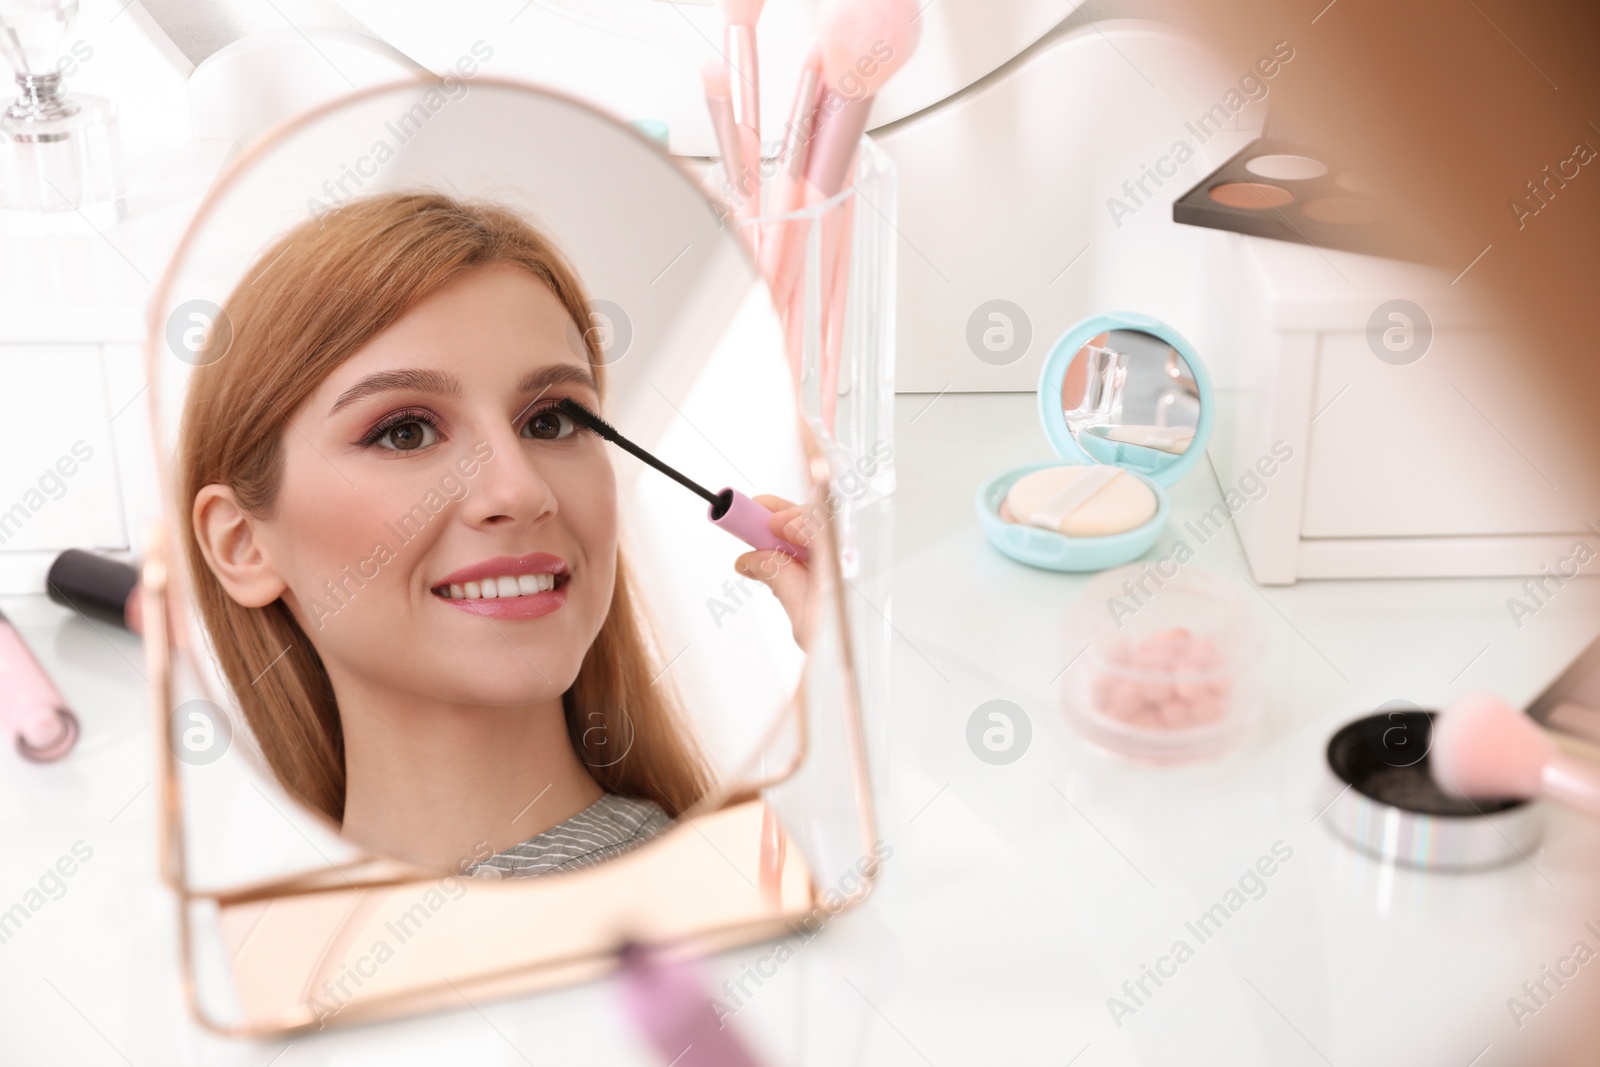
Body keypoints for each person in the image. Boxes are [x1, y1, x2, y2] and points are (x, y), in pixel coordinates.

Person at [178, 192, 812, 878]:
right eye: (406, 432)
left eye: (549, 422)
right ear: (242, 545)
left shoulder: (731, 896)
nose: (519, 490)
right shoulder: (244, 928)